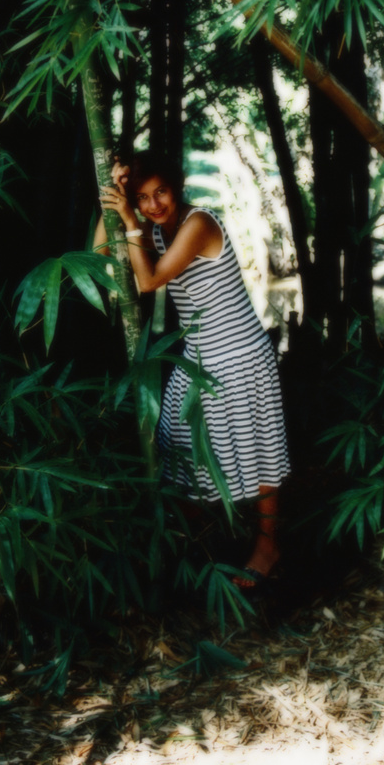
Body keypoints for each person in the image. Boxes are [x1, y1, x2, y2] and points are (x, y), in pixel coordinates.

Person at [94, 151, 290, 587]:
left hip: (239, 359)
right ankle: (203, 549)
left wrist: (129, 218)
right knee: (179, 455)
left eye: (160, 192)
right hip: (198, 360)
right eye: (143, 197)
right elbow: (98, 252)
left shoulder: (198, 224)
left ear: (177, 186)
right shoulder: (152, 227)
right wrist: (114, 199)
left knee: (259, 456)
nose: (153, 204)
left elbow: (148, 282)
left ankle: (267, 545)